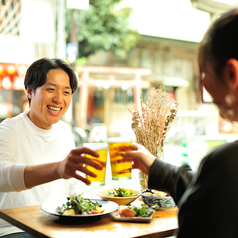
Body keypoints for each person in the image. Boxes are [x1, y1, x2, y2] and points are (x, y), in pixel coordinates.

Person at [122, 8, 238, 238]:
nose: (202, 92)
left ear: (231, 74)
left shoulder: (225, 162)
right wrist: (157, 168)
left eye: (203, 75)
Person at [0, 58, 102, 237]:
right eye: (50, 89)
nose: (58, 99)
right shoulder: (10, 129)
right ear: (30, 91)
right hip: (15, 230)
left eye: (66, 92)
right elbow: (2, 176)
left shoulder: (64, 131)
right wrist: (57, 169)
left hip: (57, 226)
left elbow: (74, 188)